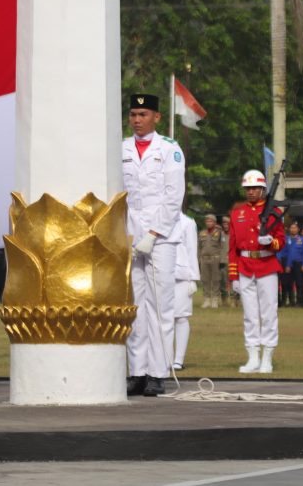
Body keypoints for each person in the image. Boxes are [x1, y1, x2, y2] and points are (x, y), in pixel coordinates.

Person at [121, 93, 183, 398]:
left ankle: (158, 372)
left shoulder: (169, 150)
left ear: (156, 117)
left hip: (161, 238)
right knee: (134, 306)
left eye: (143, 114)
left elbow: (173, 196)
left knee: (160, 306)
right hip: (131, 237)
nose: (137, 119)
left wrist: (154, 233)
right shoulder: (121, 148)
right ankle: (137, 371)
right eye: (133, 114)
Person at [227, 169, 286, 374]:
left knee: (269, 313)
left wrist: (271, 242)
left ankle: (267, 357)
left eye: (255, 188)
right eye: (248, 188)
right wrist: (233, 275)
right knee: (250, 315)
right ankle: (253, 357)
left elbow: (282, 242)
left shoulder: (274, 213)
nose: (251, 191)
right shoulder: (237, 213)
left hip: (266, 265)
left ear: (262, 190)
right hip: (244, 266)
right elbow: (233, 247)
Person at [172, 213, 199, 370]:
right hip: (159, 273)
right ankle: (164, 358)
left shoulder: (187, 222)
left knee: (181, 317)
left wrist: (193, 278)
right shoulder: (156, 219)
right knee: (162, 319)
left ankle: (178, 359)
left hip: (182, 275)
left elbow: (191, 250)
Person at [197, 214, 225, 309]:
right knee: (205, 279)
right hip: (204, 259)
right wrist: (198, 259)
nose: (209, 223)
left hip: (215, 258)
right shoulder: (202, 233)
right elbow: (199, 247)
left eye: (211, 221)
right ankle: (207, 299)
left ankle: (215, 299)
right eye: (207, 221)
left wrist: (222, 259)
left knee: (216, 279)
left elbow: (222, 246)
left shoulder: (219, 233)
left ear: (215, 222)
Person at [278, 222, 303, 308]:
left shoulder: (301, 240)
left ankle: (299, 301)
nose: (293, 229)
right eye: (292, 228)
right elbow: (282, 252)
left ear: (298, 229)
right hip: (286, 263)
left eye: (295, 228)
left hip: (298, 264)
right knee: (286, 283)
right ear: (289, 229)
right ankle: (288, 301)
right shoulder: (285, 239)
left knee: (299, 283)